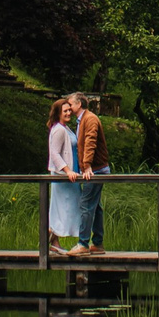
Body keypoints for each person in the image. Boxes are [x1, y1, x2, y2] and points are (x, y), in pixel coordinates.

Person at [72, 91, 108, 255]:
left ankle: (83, 243)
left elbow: (90, 142)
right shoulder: (82, 120)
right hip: (94, 169)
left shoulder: (90, 119)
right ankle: (98, 243)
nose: (69, 107)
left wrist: (87, 166)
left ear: (79, 104)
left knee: (85, 204)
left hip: (95, 169)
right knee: (95, 205)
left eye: (71, 104)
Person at [45, 98, 81, 255]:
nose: (68, 113)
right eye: (65, 111)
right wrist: (67, 171)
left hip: (72, 175)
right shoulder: (59, 130)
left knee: (69, 207)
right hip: (63, 176)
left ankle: (54, 240)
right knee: (62, 207)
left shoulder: (66, 128)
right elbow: (54, 153)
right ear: (58, 113)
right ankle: (50, 235)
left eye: (69, 110)